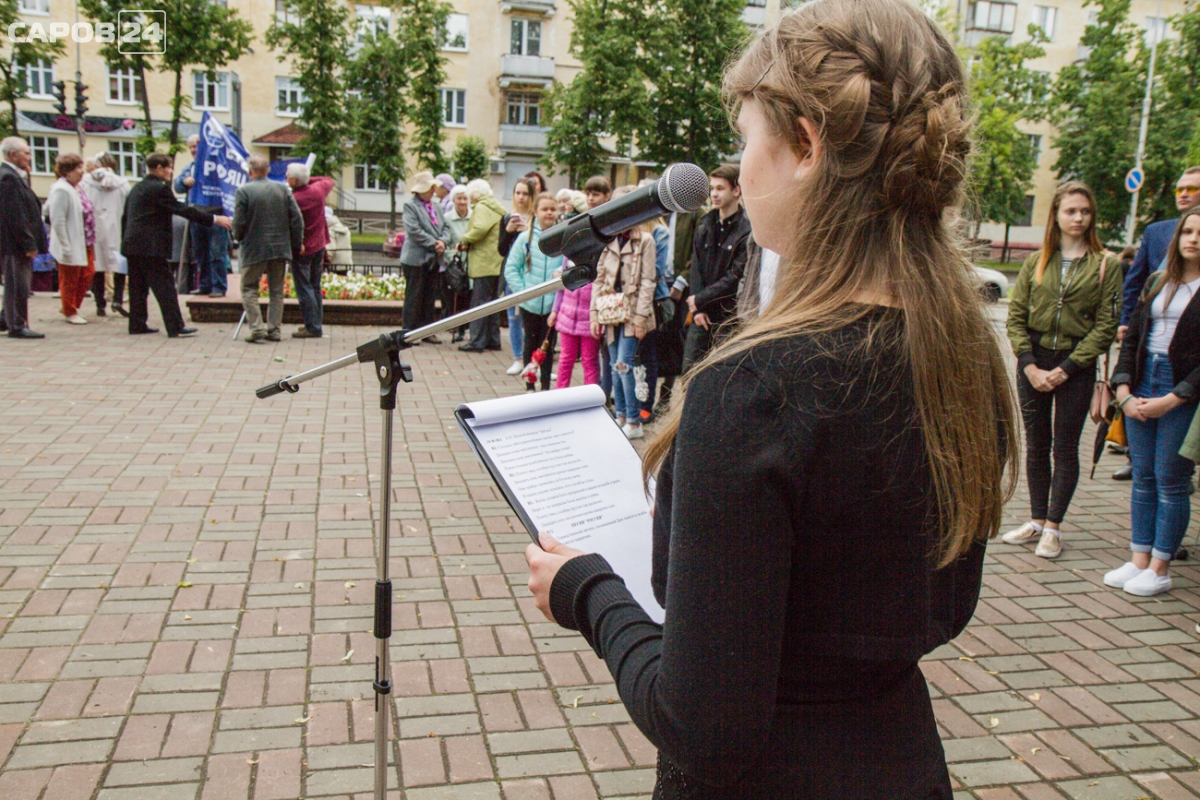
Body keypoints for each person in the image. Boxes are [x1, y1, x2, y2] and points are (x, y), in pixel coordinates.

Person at [525, 2, 1018, 796]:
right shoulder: (963, 356)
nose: (742, 167)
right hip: (900, 764)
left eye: (748, 138)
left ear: (807, 146)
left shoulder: (756, 389)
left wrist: (587, 590)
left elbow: (704, 728)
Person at [1004, 181, 1122, 558]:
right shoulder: (1036, 261)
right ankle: (1037, 519)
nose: (1078, 218)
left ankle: (1054, 527)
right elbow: (1015, 317)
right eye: (1070, 211)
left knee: (1065, 447)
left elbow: (1106, 326)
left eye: (1085, 211)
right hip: (1034, 362)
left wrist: (1066, 369)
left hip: (1076, 364)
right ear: (1055, 215)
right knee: (1037, 445)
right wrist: (1029, 366)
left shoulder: (1106, 264)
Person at [1106, 208, 1200, 596]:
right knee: (1143, 476)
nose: (1193, 239)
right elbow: (1132, 337)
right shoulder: (1159, 280)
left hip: (1181, 391)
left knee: (1171, 479)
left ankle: (1160, 567)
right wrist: (1122, 388)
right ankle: (1139, 559)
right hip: (1143, 381)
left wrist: (1174, 398)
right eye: (1188, 231)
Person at [121, 152, 230, 338]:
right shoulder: (159, 189)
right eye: (169, 167)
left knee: (137, 287)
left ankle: (137, 324)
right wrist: (214, 219)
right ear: (159, 168)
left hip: (133, 244)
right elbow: (182, 209)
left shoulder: (137, 187)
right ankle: (176, 326)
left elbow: (125, 217)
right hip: (151, 247)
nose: (171, 171)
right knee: (165, 287)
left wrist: (125, 240)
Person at [590, 189, 657, 439]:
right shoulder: (607, 240)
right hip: (610, 311)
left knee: (624, 364)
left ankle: (634, 420)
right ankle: (620, 416)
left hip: (633, 311)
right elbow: (598, 279)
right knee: (612, 365)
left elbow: (648, 281)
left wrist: (640, 319)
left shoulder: (645, 240)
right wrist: (594, 314)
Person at [682, 165, 752, 371]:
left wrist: (700, 299)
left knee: (725, 373)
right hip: (701, 314)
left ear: (736, 191)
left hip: (729, 315)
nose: (714, 194)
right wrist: (698, 308)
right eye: (712, 188)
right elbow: (696, 269)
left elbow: (735, 275)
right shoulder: (705, 226)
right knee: (690, 372)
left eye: (720, 188)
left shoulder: (745, 230)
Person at [1119, 166, 1200, 337]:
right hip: (1153, 326)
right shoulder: (1155, 232)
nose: (1183, 194)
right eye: (1179, 190)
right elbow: (1135, 282)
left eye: (1191, 189)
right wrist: (1126, 321)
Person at [232, 154, 303, 344]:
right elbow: (296, 218)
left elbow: (238, 221)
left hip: (253, 248)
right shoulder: (282, 189)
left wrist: (237, 237)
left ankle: (257, 329)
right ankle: (274, 330)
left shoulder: (244, 191)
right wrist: (296, 243)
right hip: (279, 248)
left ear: (250, 171)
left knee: (248, 288)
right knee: (276, 291)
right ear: (268, 170)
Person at [505, 193, 564, 392]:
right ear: (536, 212)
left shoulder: (562, 237)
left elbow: (568, 263)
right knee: (530, 343)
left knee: (547, 346)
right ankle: (530, 385)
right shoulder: (525, 238)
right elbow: (511, 269)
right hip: (529, 304)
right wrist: (524, 294)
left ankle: (545, 387)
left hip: (552, 305)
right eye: (544, 209)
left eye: (552, 209)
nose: (549, 213)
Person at [0, 136, 48, 339]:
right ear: (13, 154)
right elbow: (15, 214)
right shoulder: (8, 178)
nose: (29, 157)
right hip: (15, 243)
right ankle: (17, 325)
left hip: (15, 241)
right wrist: (28, 243)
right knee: (18, 285)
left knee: (16, 283)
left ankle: (7, 319)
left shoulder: (13, 175)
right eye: (26, 153)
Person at [175, 133, 232, 298]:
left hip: (217, 215)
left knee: (217, 253)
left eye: (197, 146)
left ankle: (219, 287)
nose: (194, 149)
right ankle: (205, 285)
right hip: (196, 215)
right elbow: (177, 186)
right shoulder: (190, 167)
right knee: (200, 253)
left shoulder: (218, 165)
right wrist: (184, 182)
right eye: (191, 147)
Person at [44, 153, 95, 325]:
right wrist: (65, 245)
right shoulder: (61, 190)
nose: (82, 171)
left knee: (88, 273)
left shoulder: (77, 187)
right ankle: (70, 310)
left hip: (85, 240)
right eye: (78, 168)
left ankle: (70, 305)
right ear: (67, 171)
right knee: (70, 277)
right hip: (71, 241)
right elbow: (58, 220)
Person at [287, 162, 335, 339]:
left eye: (288, 176)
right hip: (319, 245)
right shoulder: (318, 190)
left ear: (294, 180)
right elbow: (328, 180)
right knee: (315, 285)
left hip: (302, 249)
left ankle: (312, 327)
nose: (285, 178)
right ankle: (315, 324)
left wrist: (304, 180)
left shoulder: (294, 199)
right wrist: (307, 179)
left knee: (304, 287)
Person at [458, 179, 507, 353]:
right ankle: (493, 339)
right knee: (492, 302)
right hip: (495, 261)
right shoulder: (495, 206)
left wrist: (465, 239)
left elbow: (480, 228)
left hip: (484, 261)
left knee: (479, 302)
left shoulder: (481, 206)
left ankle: (476, 341)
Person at [399, 171, 447, 342]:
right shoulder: (410, 206)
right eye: (430, 188)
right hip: (415, 259)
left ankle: (427, 332)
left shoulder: (437, 207)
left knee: (429, 297)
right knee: (414, 296)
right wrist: (434, 243)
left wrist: (442, 241)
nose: (433, 191)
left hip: (433, 259)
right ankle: (410, 333)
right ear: (421, 190)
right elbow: (414, 231)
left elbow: (446, 227)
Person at [82, 153, 130, 319]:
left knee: (98, 266)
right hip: (117, 229)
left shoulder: (85, 182)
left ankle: (100, 304)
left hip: (95, 229)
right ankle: (117, 299)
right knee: (119, 266)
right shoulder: (122, 184)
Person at [582, 176, 615, 399]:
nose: (591, 199)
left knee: (608, 353)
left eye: (596, 194)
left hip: (609, 293)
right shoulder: (586, 220)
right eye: (588, 194)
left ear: (607, 196)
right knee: (600, 352)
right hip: (594, 292)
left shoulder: (610, 221)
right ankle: (602, 393)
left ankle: (607, 395)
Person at [500, 178, 534, 375]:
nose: (521, 197)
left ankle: (534, 359)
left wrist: (528, 232)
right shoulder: (507, 218)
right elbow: (501, 250)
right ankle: (518, 358)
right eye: (517, 193)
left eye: (525, 193)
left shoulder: (535, 218)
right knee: (513, 317)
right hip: (513, 274)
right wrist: (508, 232)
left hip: (532, 273)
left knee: (533, 318)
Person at [443, 185, 472, 342]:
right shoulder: (447, 218)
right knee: (455, 298)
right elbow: (445, 240)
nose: (462, 202)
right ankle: (457, 327)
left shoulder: (474, 216)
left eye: (465, 198)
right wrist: (451, 256)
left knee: (468, 298)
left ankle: (465, 329)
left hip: (471, 263)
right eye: (459, 198)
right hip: (454, 264)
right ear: (453, 200)